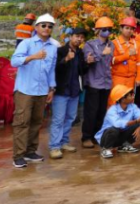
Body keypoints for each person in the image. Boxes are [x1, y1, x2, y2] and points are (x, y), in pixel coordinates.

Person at [10, 13, 57, 168]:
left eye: (50, 26)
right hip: (25, 89)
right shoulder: (26, 43)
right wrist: (32, 57)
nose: (46, 28)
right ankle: (18, 155)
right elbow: (14, 61)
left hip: (42, 90)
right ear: (36, 27)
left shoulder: (53, 48)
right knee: (22, 122)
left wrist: (51, 88)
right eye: (43, 25)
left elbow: (51, 70)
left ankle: (30, 151)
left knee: (37, 122)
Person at [49, 27, 86, 159]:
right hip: (61, 90)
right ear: (70, 37)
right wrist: (66, 59)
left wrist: (88, 62)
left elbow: (82, 71)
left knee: (70, 118)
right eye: (77, 36)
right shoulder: (60, 51)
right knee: (58, 119)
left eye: (82, 37)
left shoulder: (80, 53)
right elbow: (54, 69)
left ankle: (64, 142)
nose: (79, 39)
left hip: (74, 90)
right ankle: (54, 146)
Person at [81, 17, 114, 149]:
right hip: (94, 83)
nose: (107, 32)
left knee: (101, 112)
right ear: (97, 30)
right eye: (104, 29)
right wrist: (102, 54)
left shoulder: (111, 45)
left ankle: (97, 135)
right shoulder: (90, 44)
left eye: (109, 29)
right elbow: (88, 60)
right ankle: (86, 137)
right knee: (91, 112)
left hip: (106, 83)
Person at [96, 85, 140, 159]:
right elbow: (118, 124)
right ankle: (106, 149)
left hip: (120, 136)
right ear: (123, 98)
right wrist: (137, 121)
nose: (133, 96)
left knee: (137, 125)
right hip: (106, 138)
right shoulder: (112, 110)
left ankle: (124, 145)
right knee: (114, 129)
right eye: (130, 95)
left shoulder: (133, 106)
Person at [111, 17, 140, 91]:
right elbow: (112, 61)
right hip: (118, 78)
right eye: (127, 28)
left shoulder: (136, 43)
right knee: (117, 97)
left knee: (129, 98)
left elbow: (139, 62)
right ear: (121, 29)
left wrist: (139, 78)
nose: (129, 31)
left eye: (131, 29)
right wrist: (127, 55)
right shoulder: (114, 43)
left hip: (132, 78)